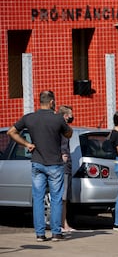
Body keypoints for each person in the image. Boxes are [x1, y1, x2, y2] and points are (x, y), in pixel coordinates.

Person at [7, 90, 73, 242]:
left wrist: (27, 144)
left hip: (37, 162)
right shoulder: (57, 119)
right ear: (51, 102)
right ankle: (56, 233)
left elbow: (11, 132)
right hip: (55, 164)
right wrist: (65, 125)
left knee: (38, 198)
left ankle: (40, 234)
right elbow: (68, 134)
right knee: (56, 199)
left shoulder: (29, 118)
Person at [58, 105, 76, 232]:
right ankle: (62, 224)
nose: (72, 117)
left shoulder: (65, 129)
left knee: (65, 198)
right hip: (63, 165)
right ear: (65, 116)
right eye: (70, 114)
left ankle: (64, 223)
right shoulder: (60, 129)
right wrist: (61, 155)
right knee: (62, 197)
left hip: (67, 165)